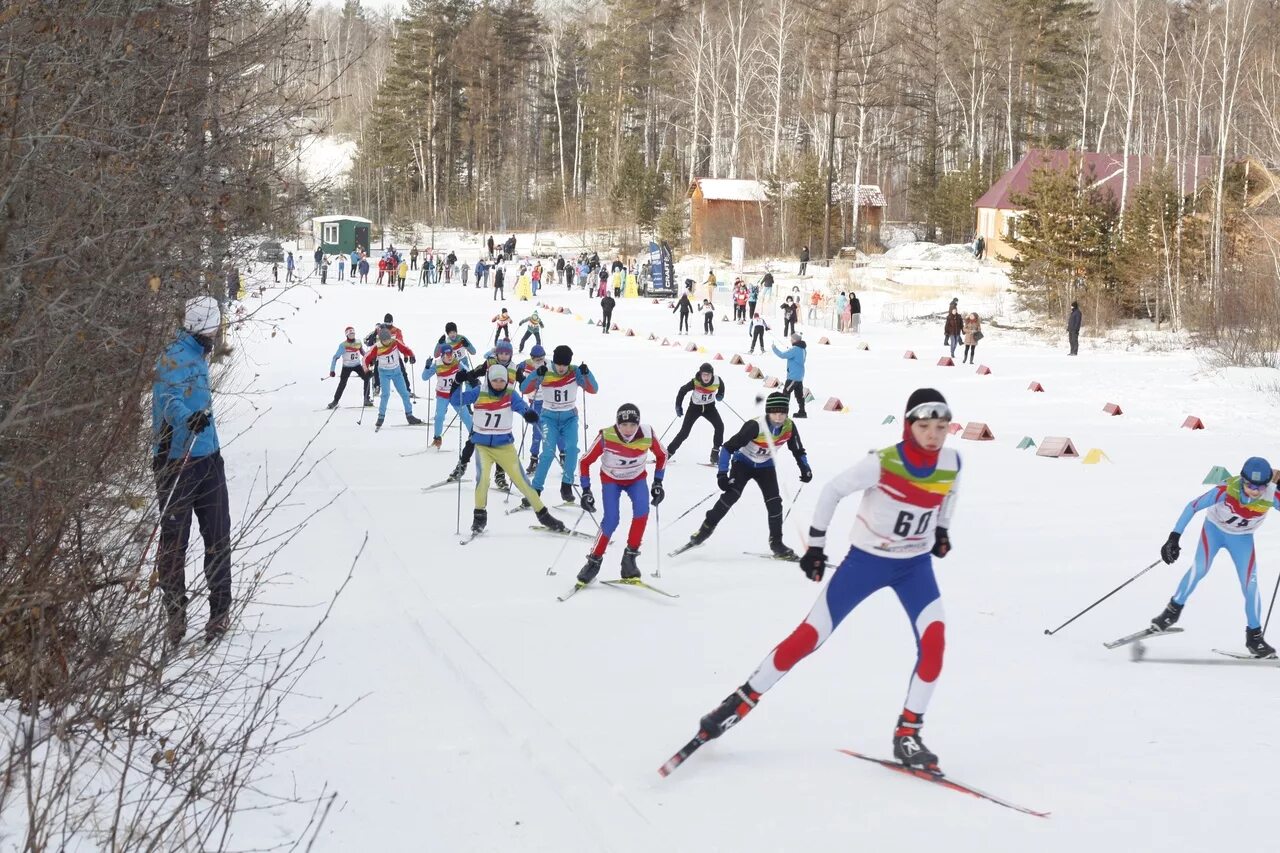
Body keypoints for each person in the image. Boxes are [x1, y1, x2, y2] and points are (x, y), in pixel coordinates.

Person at [682, 389, 960, 774]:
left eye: (942, 427)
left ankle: (908, 733)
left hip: (914, 567)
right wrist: (815, 546)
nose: (934, 435)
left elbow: (949, 492)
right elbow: (832, 492)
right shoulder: (883, 462)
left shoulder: (951, 460)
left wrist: (942, 529)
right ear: (908, 425)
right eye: (925, 426)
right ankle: (739, 702)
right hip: (867, 563)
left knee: (934, 643)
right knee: (810, 637)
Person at [152, 296, 234, 646]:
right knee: (175, 542)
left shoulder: (199, 352)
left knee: (218, 534)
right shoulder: (173, 357)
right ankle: (175, 614)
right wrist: (188, 417)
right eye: (215, 325)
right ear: (203, 325)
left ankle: (219, 612)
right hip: (176, 460)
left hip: (209, 456)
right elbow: (168, 401)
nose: (218, 332)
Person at [1150, 457, 1280, 658]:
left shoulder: (1272, 495)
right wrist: (1173, 537)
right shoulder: (1227, 489)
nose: (1254, 491)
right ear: (1242, 480)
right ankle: (1170, 613)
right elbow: (1192, 506)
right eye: (1249, 485)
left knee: (1251, 585)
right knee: (1199, 568)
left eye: (1260, 487)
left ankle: (1254, 637)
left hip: (1242, 540)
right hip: (1214, 531)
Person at [683, 391, 810, 559]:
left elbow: (798, 450)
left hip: (766, 466)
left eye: (782, 413)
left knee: (775, 503)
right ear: (768, 412)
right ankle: (704, 531)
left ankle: (777, 544)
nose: (778, 417)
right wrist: (722, 474)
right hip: (743, 463)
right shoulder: (755, 426)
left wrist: (805, 468)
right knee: (731, 496)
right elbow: (727, 447)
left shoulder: (789, 427)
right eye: (774, 413)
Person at [451, 365, 567, 536]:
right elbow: (456, 400)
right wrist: (456, 383)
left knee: (522, 482)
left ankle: (543, 515)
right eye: (495, 380)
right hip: (483, 446)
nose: (498, 384)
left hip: (504, 447)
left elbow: (522, 407)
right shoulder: (479, 392)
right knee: (482, 479)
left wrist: (529, 414)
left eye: (502, 381)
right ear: (489, 380)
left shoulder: (510, 394)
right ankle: (479, 517)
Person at [575, 403, 668, 587]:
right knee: (611, 520)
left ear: (638, 424)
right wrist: (586, 490)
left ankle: (629, 560)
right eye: (624, 424)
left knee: (642, 512)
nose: (628, 429)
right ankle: (593, 561)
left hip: (636, 479)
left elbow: (662, 455)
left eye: (633, 425)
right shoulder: (607, 435)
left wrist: (658, 482)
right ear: (617, 423)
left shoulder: (647, 434)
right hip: (612, 480)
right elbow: (585, 461)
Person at [522, 345, 599, 505]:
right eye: (559, 364)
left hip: (569, 417)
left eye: (565, 364)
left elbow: (593, 389)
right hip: (548, 417)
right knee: (548, 453)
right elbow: (524, 388)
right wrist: (536, 374)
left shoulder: (575, 371)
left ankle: (566, 485)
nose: (561, 368)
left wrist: (587, 373)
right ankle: (535, 490)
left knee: (571, 449)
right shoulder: (546, 371)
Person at [363, 326, 423, 430]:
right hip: (384, 373)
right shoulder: (376, 347)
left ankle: (410, 416)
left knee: (404, 393)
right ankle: (380, 417)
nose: (388, 341)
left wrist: (411, 355)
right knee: (385, 395)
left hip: (397, 373)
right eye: (386, 340)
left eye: (389, 338)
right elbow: (365, 359)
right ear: (381, 340)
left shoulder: (395, 342)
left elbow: (406, 349)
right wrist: (366, 370)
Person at [667, 363, 725, 464]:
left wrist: (720, 395)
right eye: (704, 375)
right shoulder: (695, 382)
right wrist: (678, 406)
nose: (706, 377)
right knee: (684, 432)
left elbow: (722, 387)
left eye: (708, 375)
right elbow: (682, 391)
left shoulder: (717, 380)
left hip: (709, 408)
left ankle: (715, 454)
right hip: (695, 408)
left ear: (712, 374)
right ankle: (668, 453)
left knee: (720, 426)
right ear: (700, 374)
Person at [422, 343, 473, 449]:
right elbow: (424, 377)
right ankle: (437, 438)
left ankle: (474, 436)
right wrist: (427, 367)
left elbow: (469, 374)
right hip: (442, 395)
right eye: (447, 355)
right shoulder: (437, 364)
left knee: (466, 415)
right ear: (442, 355)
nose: (450, 357)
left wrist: (469, 378)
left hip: (455, 395)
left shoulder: (457, 363)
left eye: (451, 354)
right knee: (439, 416)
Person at [516, 344, 549, 475]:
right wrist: (520, 378)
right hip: (534, 401)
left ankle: (563, 454)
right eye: (537, 359)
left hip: (548, 402)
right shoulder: (525, 364)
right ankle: (534, 459)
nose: (540, 361)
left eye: (542, 358)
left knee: (550, 430)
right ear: (532, 358)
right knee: (537, 431)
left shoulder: (549, 365)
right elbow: (514, 369)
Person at [328, 325, 372, 409]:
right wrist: (332, 370)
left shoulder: (358, 342)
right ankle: (335, 401)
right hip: (346, 367)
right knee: (342, 384)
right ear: (347, 335)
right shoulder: (343, 345)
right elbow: (335, 357)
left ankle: (366, 399)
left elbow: (363, 353)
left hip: (357, 365)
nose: (352, 336)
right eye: (350, 334)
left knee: (367, 378)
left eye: (353, 334)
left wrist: (369, 359)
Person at [772, 332, 808, 418]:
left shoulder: (795, 349)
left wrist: (774, 348)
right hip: (799, 376)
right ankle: (802, 412)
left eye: (792, 339)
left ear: (795, 340)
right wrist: (791, 350)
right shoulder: (803, 349)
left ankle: (784, 414)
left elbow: (782, 355)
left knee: (785, 393)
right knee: (799, 394)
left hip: (793, 377)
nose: (790, 340)